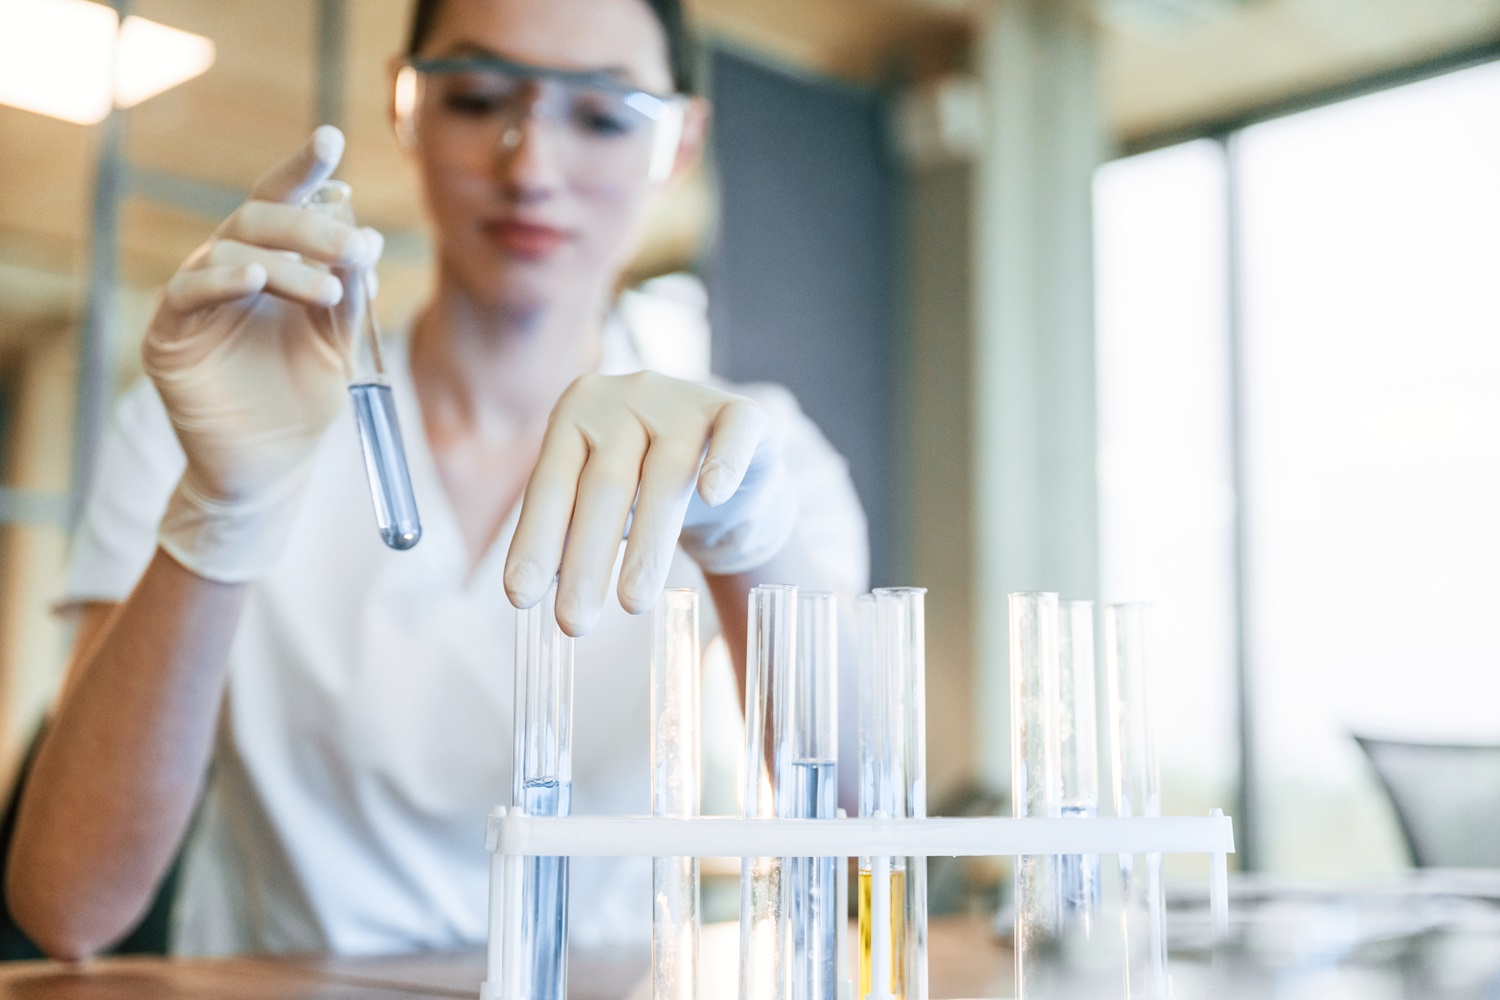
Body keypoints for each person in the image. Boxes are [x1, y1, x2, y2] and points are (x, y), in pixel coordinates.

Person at [6, 0, 867, 960]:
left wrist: (750, 545)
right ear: (405, 105)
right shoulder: (207, 415)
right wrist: (221, 508)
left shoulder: (755, 452)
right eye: (478, 97)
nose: (531, 169)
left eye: (602, 114)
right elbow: (67, 906)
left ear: (681, 143)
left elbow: (865, 840)